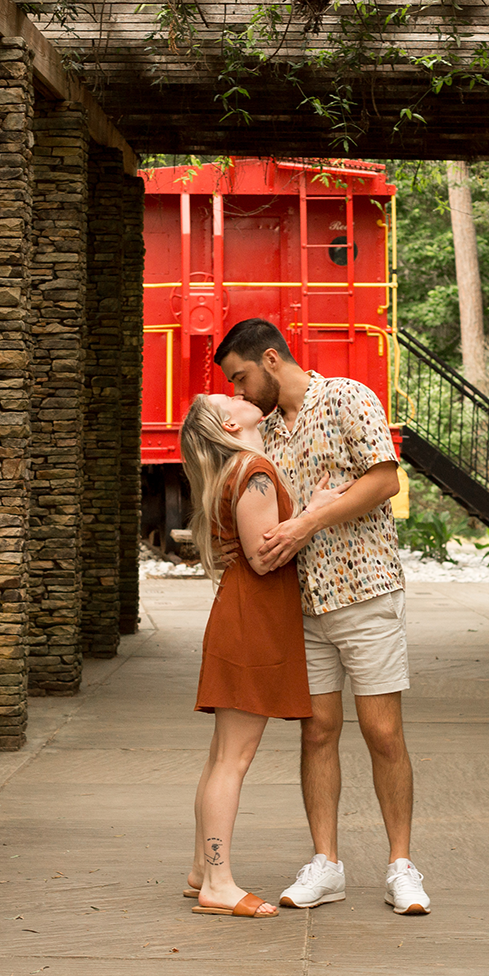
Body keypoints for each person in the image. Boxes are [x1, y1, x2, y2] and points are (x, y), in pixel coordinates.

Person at [213, 318, 431, 917]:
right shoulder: (263, 437)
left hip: (365, 592)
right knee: (318, 733)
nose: (238, 390)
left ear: (273, 359)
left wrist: (309, 521)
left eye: (241, 377)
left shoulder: (346, 397)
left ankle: (401, 866)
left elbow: (384, 479)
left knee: (383, 732)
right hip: (302, 606)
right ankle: (327, 864)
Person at [178, 393, 334, 918]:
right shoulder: (255, 469)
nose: (242, 396)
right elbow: (265, 558)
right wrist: (315, 510)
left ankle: (203, 868)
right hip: (252, 626)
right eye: (231, 397)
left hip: (240, 619)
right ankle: (218, 884)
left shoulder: (236, 469)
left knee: (221, 757)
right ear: (229, 422)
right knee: (233, 761)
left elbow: (246, 550)